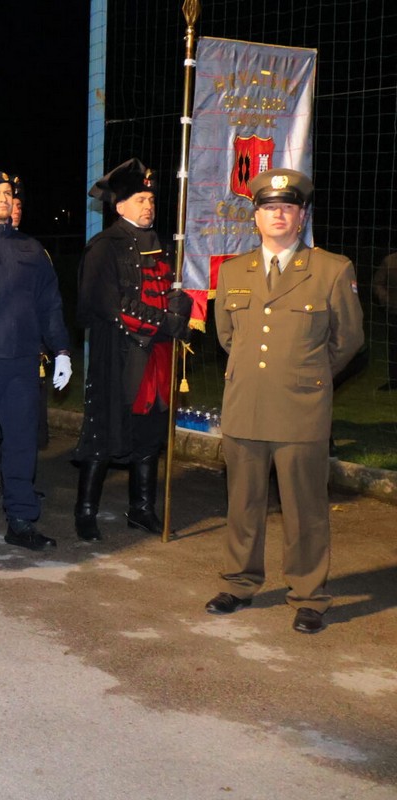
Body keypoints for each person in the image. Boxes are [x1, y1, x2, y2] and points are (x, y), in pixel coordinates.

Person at [206, 168, 364, 634]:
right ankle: (238, 583)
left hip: (301, 409)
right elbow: (227, 336)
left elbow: (349, 340)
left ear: (301, 217)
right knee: (243, 503)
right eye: (269, 207)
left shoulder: (332, 269)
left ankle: (310, 596)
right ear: (255, 217)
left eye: (287, 208)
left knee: (305, 509)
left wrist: (311, 377)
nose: (278, 214)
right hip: (245, 407)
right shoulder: (233, 271)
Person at [72, 158, 193, 542]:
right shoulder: (103, 247)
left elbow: (176, 291)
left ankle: (142, 510)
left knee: (149, 435)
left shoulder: (161, 245)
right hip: (119, 356)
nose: (148, 206)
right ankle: (86, 512)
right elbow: (110, 304)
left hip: (156, 355)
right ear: (120, 206)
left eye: (151, 200)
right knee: (103, 432)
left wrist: (180, 309)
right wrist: (166, 323)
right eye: (140, 199)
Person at [0, 170, 72, 551]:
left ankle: (20, 519)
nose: (4, 198)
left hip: (19, 362)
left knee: (20, 443)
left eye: (8, 193)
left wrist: (61, 349)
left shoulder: (31, 249)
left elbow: (50, 303)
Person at [373, 252, 397, 390]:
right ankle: (394, 381)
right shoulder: (390, 261)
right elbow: (377, 283)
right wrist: (386, 299)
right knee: (394, 347)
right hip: (394, 311)